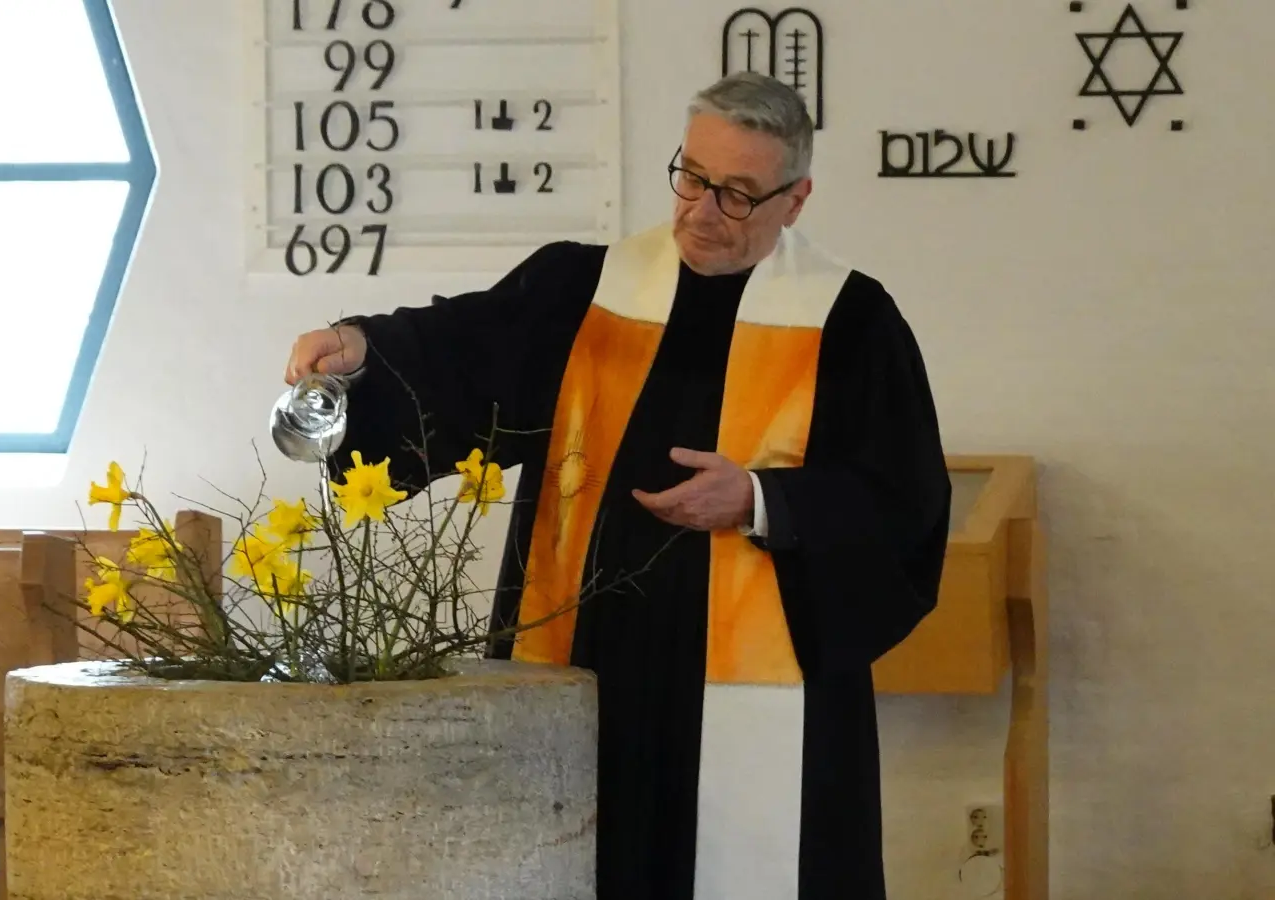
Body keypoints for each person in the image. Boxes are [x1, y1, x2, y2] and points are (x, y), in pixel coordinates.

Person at [284, 71, 951, 900]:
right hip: (586, 654)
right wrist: (360, 348)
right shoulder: (586, 289)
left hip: (754, 682)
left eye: (738, 194)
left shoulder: (852, 324)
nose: (703, 211)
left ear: (797, 197)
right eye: (693, 178)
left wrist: (759, 499)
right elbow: (462, 352)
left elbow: (901, 500)